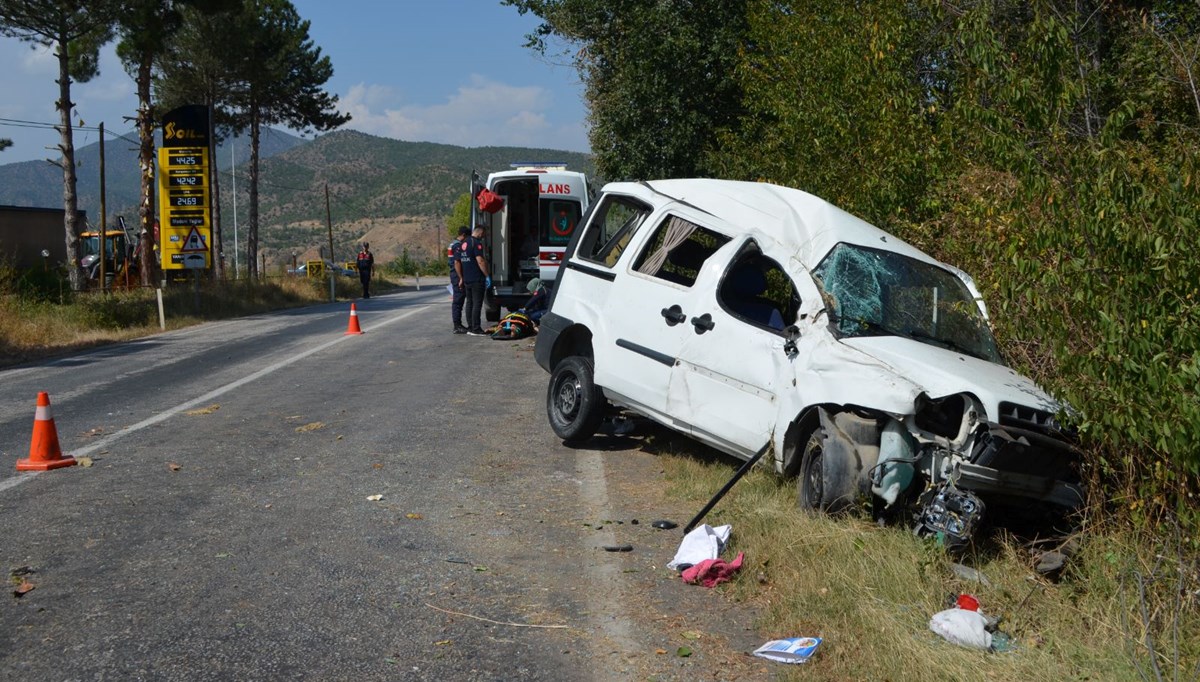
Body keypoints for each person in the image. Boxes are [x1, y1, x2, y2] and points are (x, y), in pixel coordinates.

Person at [454, 224, 491, 335]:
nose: (484, 236)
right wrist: (487, 275)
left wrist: (461, 277)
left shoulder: (463, 243)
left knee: (469, 303)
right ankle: (476, 328)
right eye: (484, 234)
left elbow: (457, 262)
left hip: (467, 279)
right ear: (480, 232)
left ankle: (470, 327)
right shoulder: (476, 243)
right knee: (477, 304)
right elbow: (480, 261)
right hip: (476, 279)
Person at [447, 226, 469, 333]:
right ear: (464, 235)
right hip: (456, 275)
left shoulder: (453, 243)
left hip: (454, 274)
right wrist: (461, 278)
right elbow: (457, 262)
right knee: (458, 300)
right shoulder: (457, 245)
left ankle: (458, 324)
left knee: (458, 299)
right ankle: (457, 325)